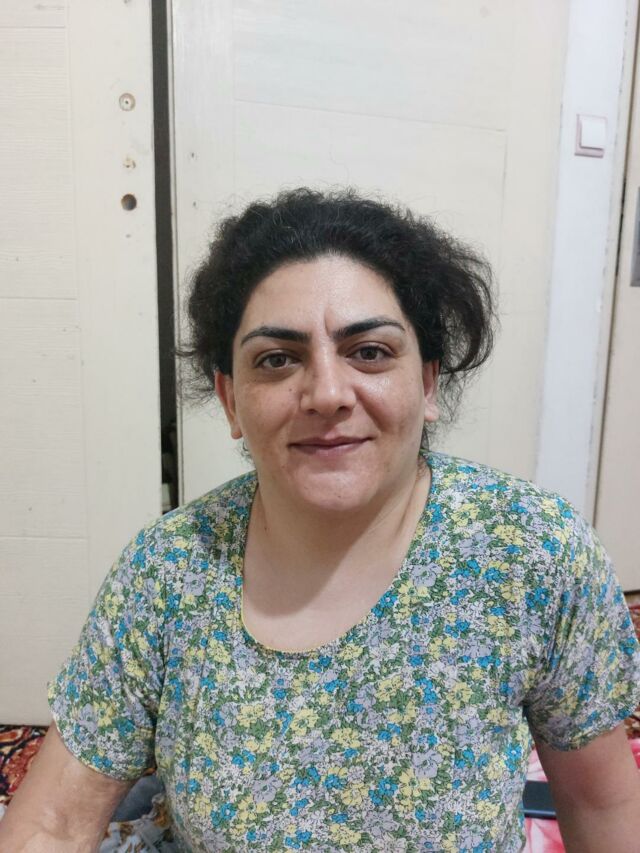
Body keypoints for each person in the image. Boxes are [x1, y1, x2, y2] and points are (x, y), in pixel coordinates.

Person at [2, 188, 640, 852]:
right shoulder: (166, 571)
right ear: (230, 400)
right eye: (277, 359)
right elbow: (53, 822)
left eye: (370, 351)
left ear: (427, 383)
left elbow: (602, 802)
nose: (328, 394)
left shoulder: (535, 551)